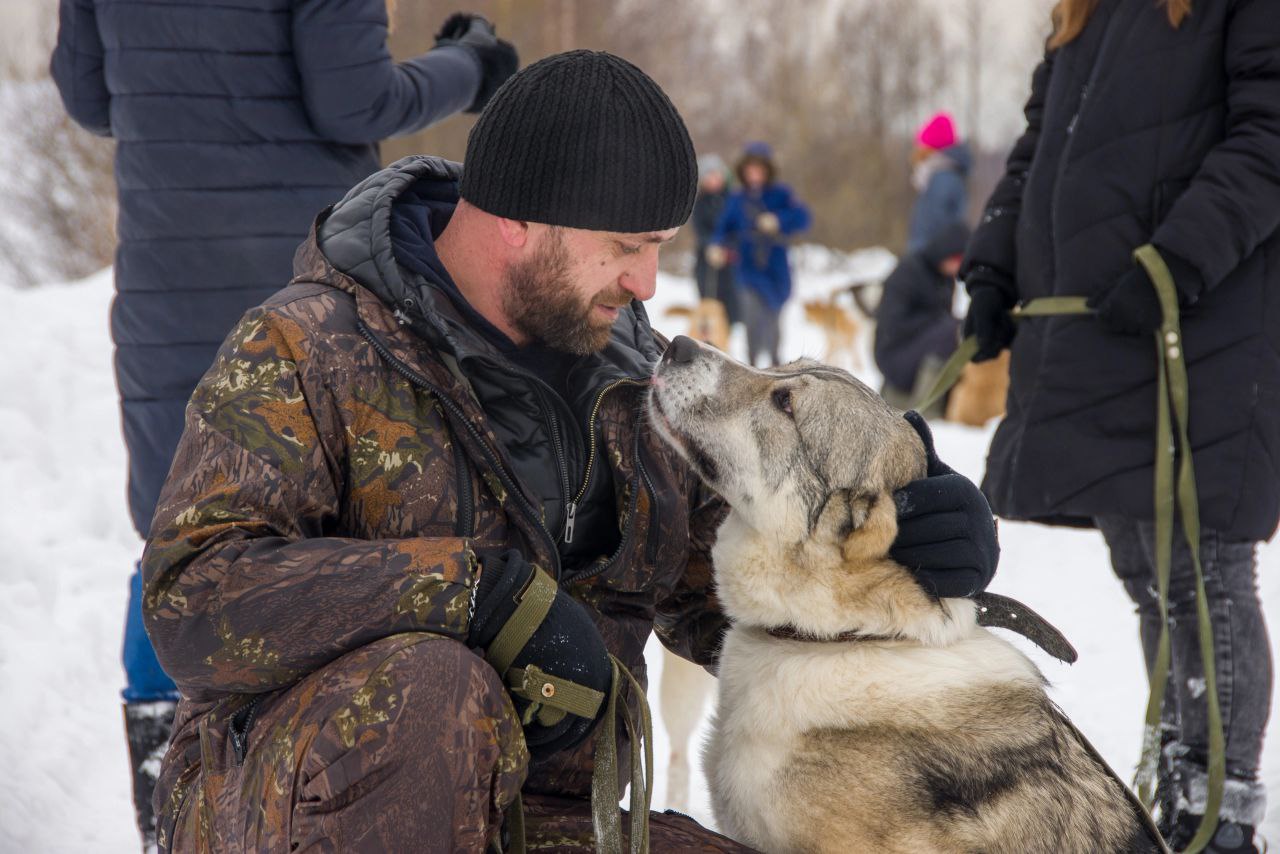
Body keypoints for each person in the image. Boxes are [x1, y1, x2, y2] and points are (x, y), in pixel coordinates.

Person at [140, 50, 1000, 851]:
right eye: (624, 247)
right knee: (432, 690)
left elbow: (731, 599)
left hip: (554, 815)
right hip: (298, 804)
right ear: (517, 218)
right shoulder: (307, 346)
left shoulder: (630, 384)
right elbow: (190, 594)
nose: (646, 284)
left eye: (658, 249)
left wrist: (904, 527)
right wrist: (475, 594)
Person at [49, 2, 516, 848]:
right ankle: (322, 796)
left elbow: (88, 97)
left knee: (179, 539)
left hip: (165, 287)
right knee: (342, 539)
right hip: (303, 296)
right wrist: (470, 66)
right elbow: (354, 102)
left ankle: (172, 794)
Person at [961, 1, 1277, 850]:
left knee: (1201, 574)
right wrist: (994, 265)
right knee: (1146, 569)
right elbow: (1040, 147)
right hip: (1100, 329)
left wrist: (1181, 254)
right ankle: (1180, 777)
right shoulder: (1085, 11)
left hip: (1202, 322)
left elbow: (1270, 138)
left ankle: (1222, 806)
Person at [710, 142, 811, 367]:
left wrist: (778, 220)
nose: (754, 174)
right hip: (748, 267)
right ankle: (752, 364)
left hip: (775, 266)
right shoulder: (737, 199)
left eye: (759, 169)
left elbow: (804, 218)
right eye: (750, 169)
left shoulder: (781, 194)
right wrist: (716, 246)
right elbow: (723, 228)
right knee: (752, 317)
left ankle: (776, 362)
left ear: (767, 170)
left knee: (773, 319)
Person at [874, 221, 970, 416]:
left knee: (958, 329)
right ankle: (926, 409)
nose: (958, 267)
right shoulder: (909, 272)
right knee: (949, 331)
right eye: (956, 259)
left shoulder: (944, 278)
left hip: (919, 349)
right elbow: (893, 324)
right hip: (894, 353)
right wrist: (937, 323)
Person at [906, 111, 971, 254]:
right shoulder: (943, 175)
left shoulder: (942, 178)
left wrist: (919, 260)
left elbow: (932, 224)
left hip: (930, 259)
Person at [692, 154, 740, 325]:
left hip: (731, 261)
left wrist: (727, 247)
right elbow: (700, 229)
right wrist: (711, 246)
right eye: (709, 176)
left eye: (716, 174)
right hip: (708, 260)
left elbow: (738, 228)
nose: (713, 179)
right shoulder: (700, 202)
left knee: (732, 305)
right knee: (710, 299)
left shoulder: (733, 199)